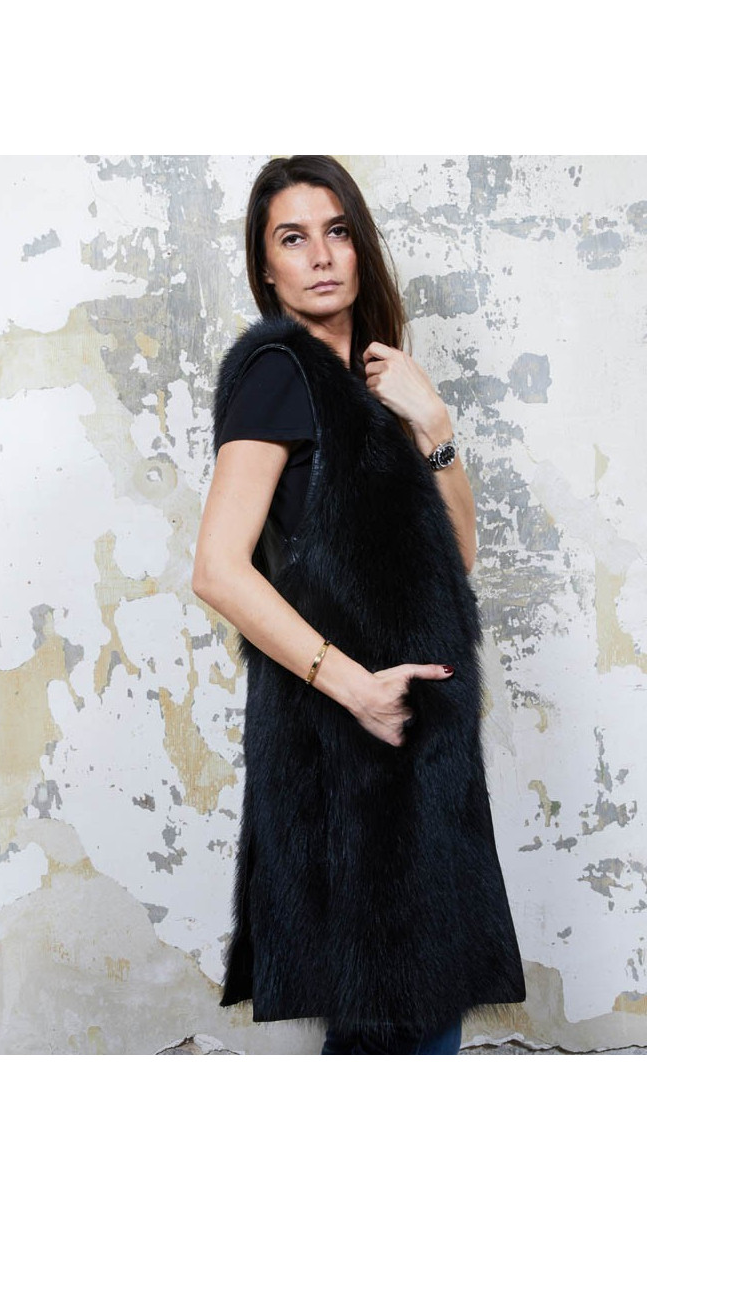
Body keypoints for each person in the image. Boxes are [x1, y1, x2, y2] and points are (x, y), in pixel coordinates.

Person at [191, 155, 526, 1055]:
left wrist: (434, 424)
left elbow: (453, 562)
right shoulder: (279, 371)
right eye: (292, 238)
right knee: (397, 1030)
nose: (321, 255)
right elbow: (218, 569)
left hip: (415, 758)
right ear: (266, 268)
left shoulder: (375, 387)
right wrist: (357, 689)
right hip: (346, 755)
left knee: (415, 1020)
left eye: (337, 231)